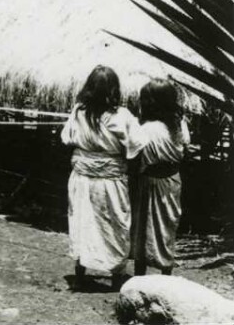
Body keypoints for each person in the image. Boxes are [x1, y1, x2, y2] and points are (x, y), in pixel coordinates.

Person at [61, 65, 140, 290]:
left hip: (82, 177)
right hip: (111, 180)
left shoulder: (79, 111)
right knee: (115, 223)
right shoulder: (122, 116)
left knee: (81, 220)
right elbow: (136, 145)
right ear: (114, 89)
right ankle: (116, 276)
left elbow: (67, 138)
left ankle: (80, 273)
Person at [130, 79, 190, 276]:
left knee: (143, 228)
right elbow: (185, 147)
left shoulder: (147, 128)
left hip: (150, 181)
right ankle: (166, 274)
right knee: (167, 226)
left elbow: (132, 153)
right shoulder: (179, 124)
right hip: (172, 181)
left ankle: (140, 274)